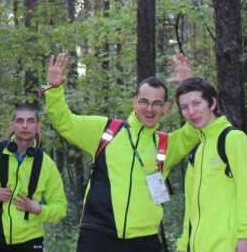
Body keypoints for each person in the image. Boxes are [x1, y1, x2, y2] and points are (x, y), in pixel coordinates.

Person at [43, 52, 198, 251]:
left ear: (166, 107)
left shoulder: (167, 144)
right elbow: (63, 122)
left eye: (157, 103)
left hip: (144, 239)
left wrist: (189, 87)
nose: (149, 108)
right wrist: (54, 88)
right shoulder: (107, 131)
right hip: (98, 234)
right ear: (135, 102)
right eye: (144, 101)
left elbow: (195, 129)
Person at [0, 105, 67, 251]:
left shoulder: (47, 164)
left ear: (38, 126)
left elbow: (60, 207)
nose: (25, 126)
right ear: (12, 125)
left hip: (30, 238)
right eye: (20, 121)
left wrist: (39, 210)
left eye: (31, 121)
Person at [174, 77, 247, 252]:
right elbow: (191, 209)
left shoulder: (233, 139)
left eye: (197, 103)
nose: (191, 111)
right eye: (185, 107)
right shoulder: (197, 151)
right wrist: (183, 245)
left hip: (231, 246)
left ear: (212, 103)